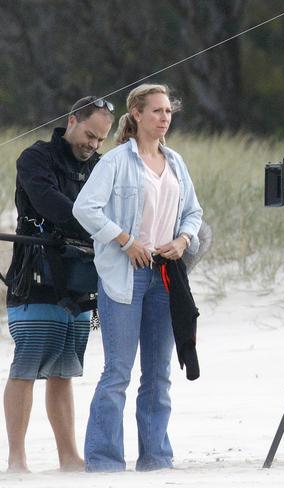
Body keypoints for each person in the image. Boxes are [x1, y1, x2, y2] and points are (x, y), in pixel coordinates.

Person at [72, 83, 203, 472]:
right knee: (117, 373)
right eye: (157, 111)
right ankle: (104, 461)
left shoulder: (176, 162)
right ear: (138, 114)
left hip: (165, 276)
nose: (164, 118)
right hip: (124, 277)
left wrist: (182, 239)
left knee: (159, 374)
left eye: (168, 112)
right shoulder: (115, 162)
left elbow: (193, 213)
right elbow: (85, 208)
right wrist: (126, 240)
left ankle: (156, 458)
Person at [2, 96, 114, 472]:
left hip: (81, 279)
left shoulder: (99, 165)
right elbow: (49, 202)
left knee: (65, 370)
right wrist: (102, 227)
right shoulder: (35, 157)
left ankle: (69, 456)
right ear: (71, 121)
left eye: (101, 140)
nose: (93, 145)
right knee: (27, 365)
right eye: (89, 135)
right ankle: (16, 459)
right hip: (34, 277)